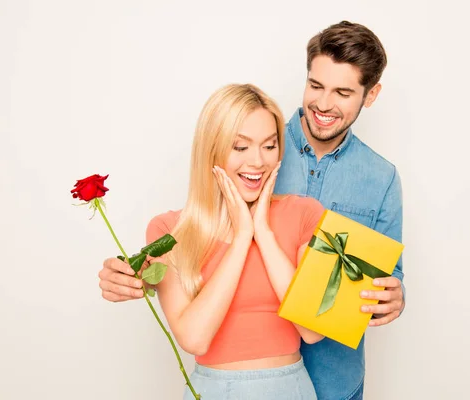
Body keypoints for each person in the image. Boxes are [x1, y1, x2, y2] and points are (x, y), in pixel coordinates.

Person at [99, 21, 405, 400]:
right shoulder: (172, 226)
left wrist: (393, 294)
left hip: (327, 379)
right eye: (316, 85)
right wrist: (137, 276)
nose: (324, 103)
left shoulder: (371, 183)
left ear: (370, 94)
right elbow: (190, 324)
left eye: (342, 92)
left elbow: (344, 305)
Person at [129, 83, 327, 399]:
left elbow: (313, 329)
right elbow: (194, 339)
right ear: (213, 149)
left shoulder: (305, 213)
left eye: (269, 145)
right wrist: (241, 239)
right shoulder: (169, 230)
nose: (258, 162)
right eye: (240, 147)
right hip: (214, 390)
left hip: (291, 388)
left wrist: (263, 232)